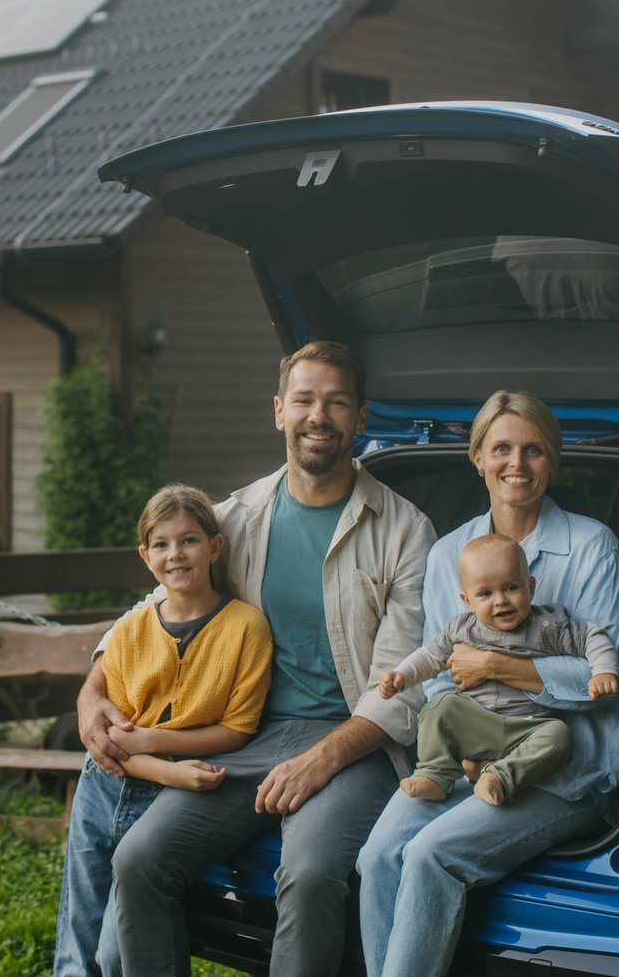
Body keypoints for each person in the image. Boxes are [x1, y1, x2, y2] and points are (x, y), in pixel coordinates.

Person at [76, 340, 436, 977]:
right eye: (303, 400)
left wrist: (320, 759)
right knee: (138, 861)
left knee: (311, 871)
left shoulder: (405, 530)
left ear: (361, 416)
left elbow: (400, 686)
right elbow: (159, 602)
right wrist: (92, 688)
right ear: (278, 410)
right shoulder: (236, 516)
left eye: (335, 402)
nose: (317, 415)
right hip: (244, 737)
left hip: (353, 742)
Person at [357, 389, 619, 977]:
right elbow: (439, 677)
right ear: (478, 457)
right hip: (469, 761)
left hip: (568, 768)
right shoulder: (447, 554)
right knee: (378, 854)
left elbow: (601, 676)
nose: (518, 463)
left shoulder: (592, 547)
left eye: (534, 450)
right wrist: (460, 749)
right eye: (502, 448)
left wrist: (495, 668)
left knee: (432, 853)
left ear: (553, 462)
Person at [53, 484, 273, 977]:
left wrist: (154, 746)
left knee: (116, 953)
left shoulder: (245, 628)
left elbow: (237, 729)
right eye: (162, 544)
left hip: (161, 803)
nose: (176, 554)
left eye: (189, 540)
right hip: (105, 783)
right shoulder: (130, 632)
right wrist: (166, 770)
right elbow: (116, 738)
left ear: (215, 547)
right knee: (79, 929)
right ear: (145, 556)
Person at [377, 533, 619, 806]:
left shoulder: (548, 625)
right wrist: (402, 675)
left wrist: (603, 672)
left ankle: (498, 777)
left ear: (531, 587)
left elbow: (592, 637)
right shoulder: (462, 627)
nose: (501, 600)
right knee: (437, 707)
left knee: (559, 735)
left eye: (512, 588)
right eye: (486, 593)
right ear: (467, 601)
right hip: (476, 723)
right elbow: (431, 656)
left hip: (527, 727)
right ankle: (435, 774)